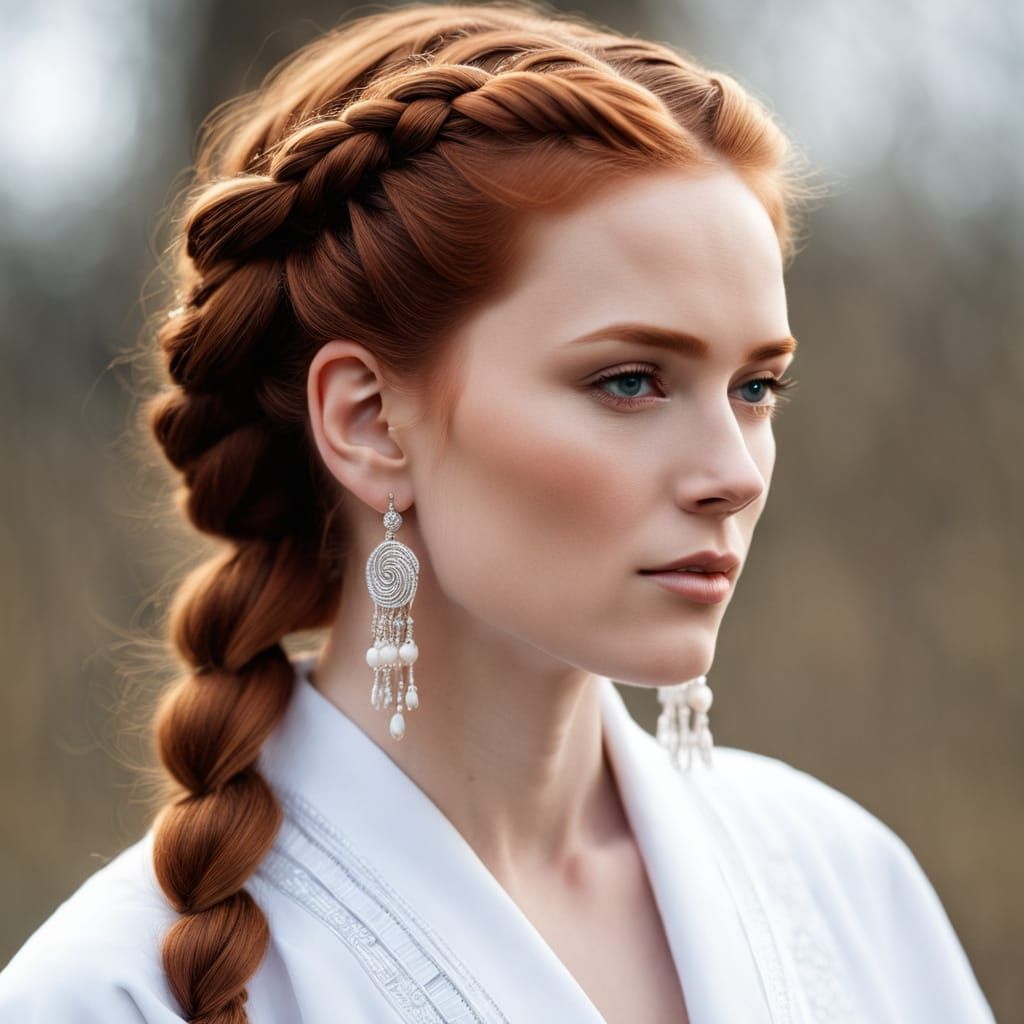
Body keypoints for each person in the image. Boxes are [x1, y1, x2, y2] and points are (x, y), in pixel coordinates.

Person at [0, 3, 997, 1022]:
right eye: (629, 382)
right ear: (370, 421)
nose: (732, 471)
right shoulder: (116, 990)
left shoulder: (846, 890)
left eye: (755, 388)